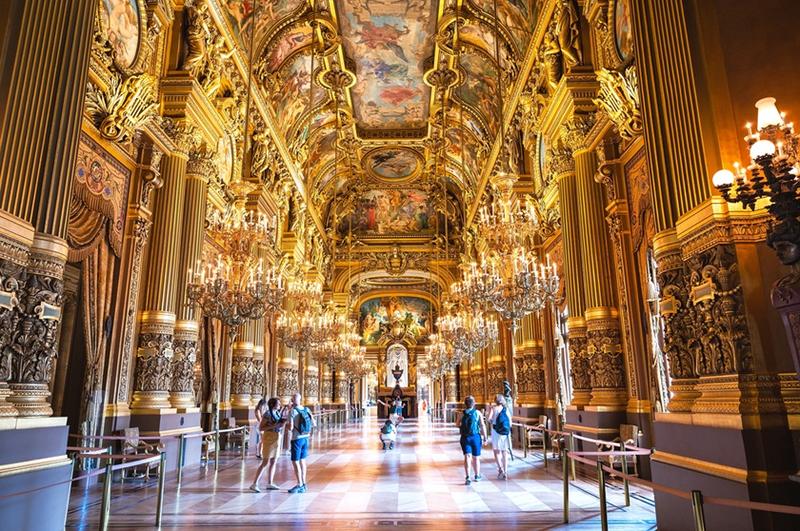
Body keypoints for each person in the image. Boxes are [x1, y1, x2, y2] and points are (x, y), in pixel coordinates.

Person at [249, 397, 287, 492]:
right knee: (265, 462)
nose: (279, 405)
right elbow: (261, 427)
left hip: (276, 437)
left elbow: (278, 425)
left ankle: (270, 482)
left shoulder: (277, 413)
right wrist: (275, 425)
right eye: (278, 403)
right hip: (269, 438)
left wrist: (282, 424)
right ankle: (254, 483)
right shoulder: (267, 414)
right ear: (272, 404)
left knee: (274, 460)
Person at [288, 392, 316, 493]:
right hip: (305, 437)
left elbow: (290, 427)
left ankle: (299, 484)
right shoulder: (307, 409)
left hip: (297, 438)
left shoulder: (292, 411)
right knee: (303, 461)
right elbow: (314, 423)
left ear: (292, 400)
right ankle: (304, 483)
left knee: (295, 461)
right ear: (300, 399)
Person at [456, 395, 486, 485]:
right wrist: (485, 437)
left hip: (465, 437)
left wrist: (462, 426)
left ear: (465, 404)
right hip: (475, 437)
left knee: (467, 456)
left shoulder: (461, 413)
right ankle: (477, 475)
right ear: (474, 403)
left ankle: (468, 477)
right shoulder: (477, 413)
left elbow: (457, 424)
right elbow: (482, 425)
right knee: (476, 457)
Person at [488, 394, 512, 479]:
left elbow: (489, 419)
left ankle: (500, 469)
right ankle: (505, 471)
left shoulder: (493, 409)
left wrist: (493, 421)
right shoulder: (506, 409)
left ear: (495, 401)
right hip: (505, 433)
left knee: (497, 451)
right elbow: (510, 422)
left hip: (496, 432)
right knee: (504, 452)